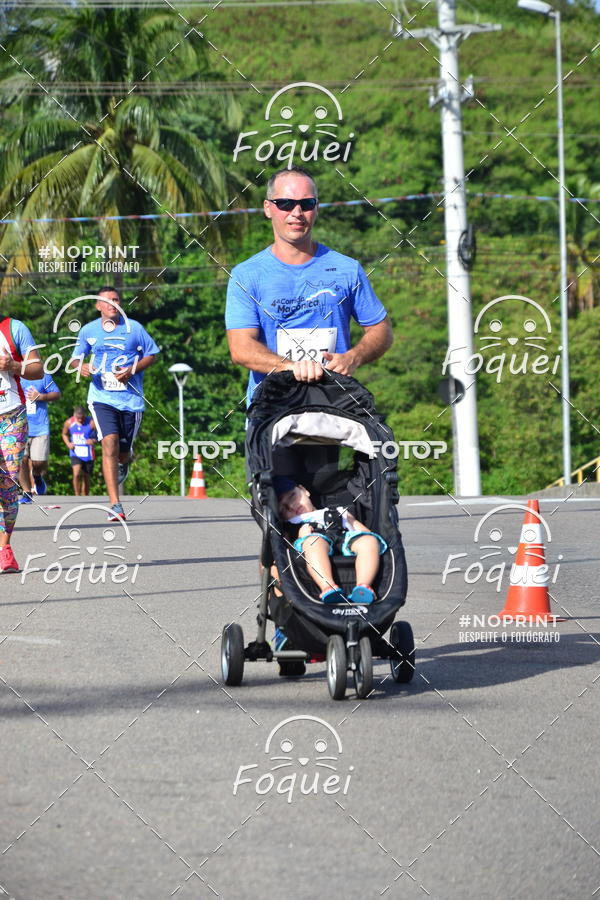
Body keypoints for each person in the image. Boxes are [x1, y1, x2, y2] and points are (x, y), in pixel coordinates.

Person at [225, 165, 393, 405]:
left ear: (317, 208)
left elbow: (381, 330)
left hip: (332, 410)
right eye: (285, 203)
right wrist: (292, 367)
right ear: (267, 208)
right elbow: (241, 348)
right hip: (272, 413)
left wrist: (353, 357)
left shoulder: (347, 269)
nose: (296, 213)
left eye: (306, 204)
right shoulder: (246, 275)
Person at [67, 286, 160, 521]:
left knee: (122, 451)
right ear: (98, 305)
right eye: (107, 301)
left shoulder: (135, 328)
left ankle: (124, 462)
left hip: (131, 401)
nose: (112, 304)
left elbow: (152, 354)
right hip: (101, 398)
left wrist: (132, 369)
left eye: (116, 300)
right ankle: (115, 504)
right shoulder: (88, 330)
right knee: (108, 444)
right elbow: (74, 359)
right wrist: (82, 366)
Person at [276, 478, 387, 604]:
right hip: (315, 540)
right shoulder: (291, 525)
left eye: (292, 497)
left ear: (304, 490)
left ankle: (363, 587)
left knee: (369, 540)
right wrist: (301, 537)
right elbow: (280, 554)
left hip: (346, 539)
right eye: (283, 508)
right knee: (313, 542)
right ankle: (328, 587)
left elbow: (363, 531)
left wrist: (371, 539)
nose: (291, 506)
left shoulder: (338, 511)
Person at [0, 316, 44, 572]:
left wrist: (14, 365)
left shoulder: (14, 328)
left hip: (11, 416)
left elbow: (38, 369)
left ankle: (5, 548)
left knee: (7, 484)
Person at [18, 372, 61, 502]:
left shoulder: (43, 376)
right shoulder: (13, 376)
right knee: (22, 460)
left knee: (39, 462)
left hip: (40, 427)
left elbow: (56, 393)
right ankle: (26, 493)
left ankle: (37, 476)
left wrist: (41, 396)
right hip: (19, 427)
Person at [62, 406, 97, 496]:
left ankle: (85, 496)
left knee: (86, 476)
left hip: (88, 453)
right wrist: (68, 444)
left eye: (82, 418)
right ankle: (77, 495)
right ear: (74, 415)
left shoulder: (91, 422)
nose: (80, 420)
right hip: (75, 452)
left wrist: (93, 440)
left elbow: (99, 434)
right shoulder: (69, 422)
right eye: (78, 418)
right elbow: (64, 434)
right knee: (76, 473)